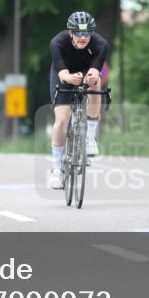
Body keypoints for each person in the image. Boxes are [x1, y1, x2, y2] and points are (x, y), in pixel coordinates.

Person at [47, 11, 109, 190]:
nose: (83, 38)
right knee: (62, 120)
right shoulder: (57, 43)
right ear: (71, 33)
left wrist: (91, 76)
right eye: (79, 33)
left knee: (95, 82)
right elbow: (62, 74)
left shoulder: (101, 44)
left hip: (86, 69)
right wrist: (68, 78)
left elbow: (96, 70)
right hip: (63, 72)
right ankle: (57, 168)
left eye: (87, 34)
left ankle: (90, 137)